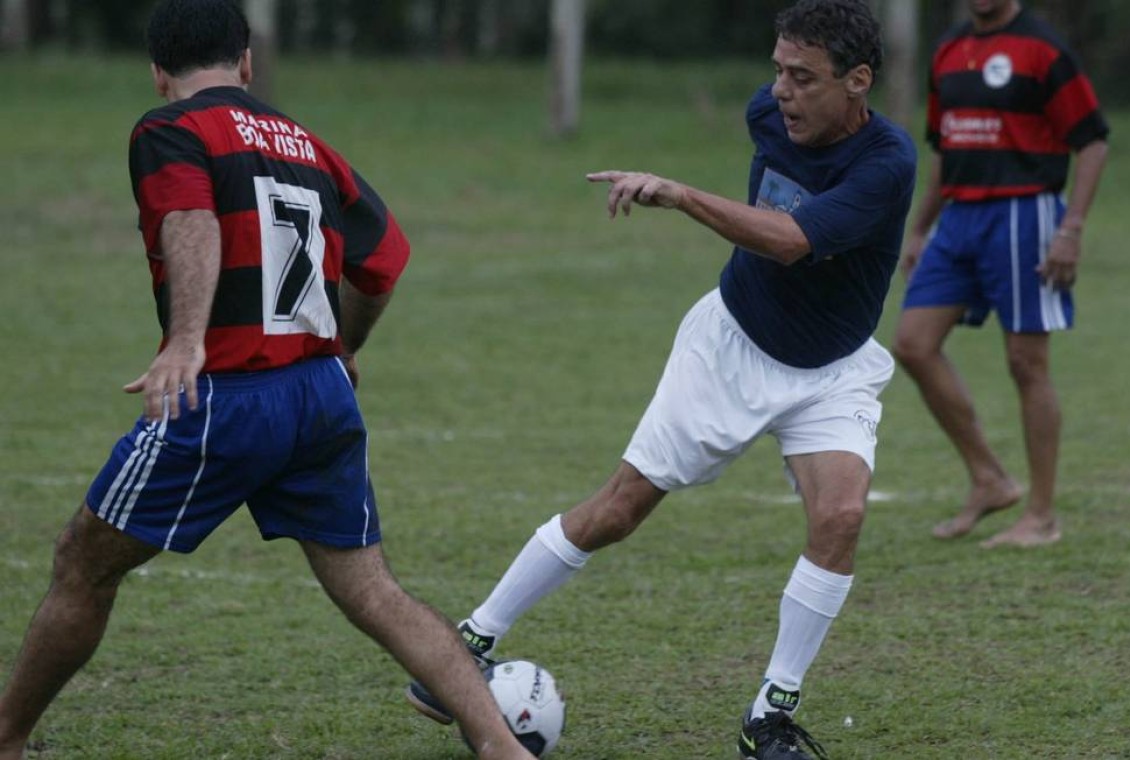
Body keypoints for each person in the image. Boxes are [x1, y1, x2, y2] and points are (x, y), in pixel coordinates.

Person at [0, 2, 533, 759]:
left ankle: (6, 737)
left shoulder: (168, 130)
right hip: (320, 395)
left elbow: (191, 220)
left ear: (157, 72)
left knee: (80, 565)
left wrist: (186, 341)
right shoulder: (309, 145)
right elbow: (381, 261)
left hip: (224, 397)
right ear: (246, 61)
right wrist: (343, 346)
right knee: (373, 591)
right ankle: (499, 746)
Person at [405, 1, 915, 758]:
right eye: (776, 70)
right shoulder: (767, 115)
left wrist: (681, 195)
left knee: (840, 516)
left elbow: (790, 240)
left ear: (858, 81)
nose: (779, 91)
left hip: (830, 368)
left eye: (802, 78)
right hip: (731, 347)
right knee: (617, 510)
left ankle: (769, 715)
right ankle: (472, 638)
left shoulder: (887, 163)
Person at [891, 0, 1109, 548]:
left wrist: (1072, 228)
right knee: (913, 345)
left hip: (1024, 214)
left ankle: (1041, 515)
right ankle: (989, 478)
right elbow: (945, 149)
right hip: (959, 218)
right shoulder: (947, 52)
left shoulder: (1043, 50)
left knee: (1026, 362)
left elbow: (1093, 141)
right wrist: (920, 229)